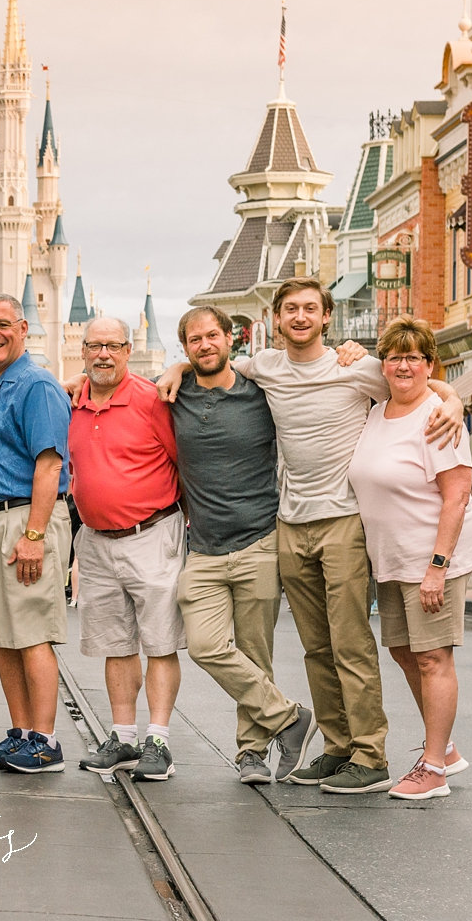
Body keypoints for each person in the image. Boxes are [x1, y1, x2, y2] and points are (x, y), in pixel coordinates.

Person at [156, 276, 464, 794]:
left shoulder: (357, 368)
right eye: (290, 310)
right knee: (316, 647)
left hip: (342, 520)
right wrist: (178, 364)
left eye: (310, 309)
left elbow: (411, 379)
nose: (299, 317)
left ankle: (370, 754)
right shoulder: (266, 367)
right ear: (275, 321)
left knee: (350, 642)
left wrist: (451, 398)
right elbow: (211, 358)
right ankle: (336, 746)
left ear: (326, 317)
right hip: (290, 522)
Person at [168, 307, 315, 785]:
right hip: (204, 548)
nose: (205, 344)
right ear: (185, 348)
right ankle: (289, 717)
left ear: (231, 339)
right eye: (195, 339)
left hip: (258, 541)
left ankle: (251, 752)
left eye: (213, 335)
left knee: (255, 652)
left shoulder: (262, 393)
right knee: (206, 646)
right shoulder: (173, 393)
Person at [348, 317, 472, 801]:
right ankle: (444, 750)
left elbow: (456, 495)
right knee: (404, 653)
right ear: (383, 364)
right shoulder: (378, 411)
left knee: (432, 658)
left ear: (429, 365)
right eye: (395, 356)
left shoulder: (438, 417)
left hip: (431, 558)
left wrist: (436, 569)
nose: (404, 365)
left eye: (414, 357)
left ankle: (433, 767)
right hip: (392, 559)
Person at [67, 318, 184, 782]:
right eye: (94, 346)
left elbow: (182, 460)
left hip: (152, 532)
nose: (102, 355)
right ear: (82, 351)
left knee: (159, 641)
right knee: (116, 645)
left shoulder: (153, 399)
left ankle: (158, 741)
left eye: (112, 346)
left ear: (128, 349)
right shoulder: (71, 400)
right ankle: (123, 737)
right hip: (97, 541)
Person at [0, 295, 73, 774]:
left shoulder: (36, 385)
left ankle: (46, 741)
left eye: (2, 324)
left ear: (24, 327)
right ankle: (22, 734)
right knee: (4, 636)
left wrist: (34, 534)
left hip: (25, 516)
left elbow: (49, 463)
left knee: (31, 634)